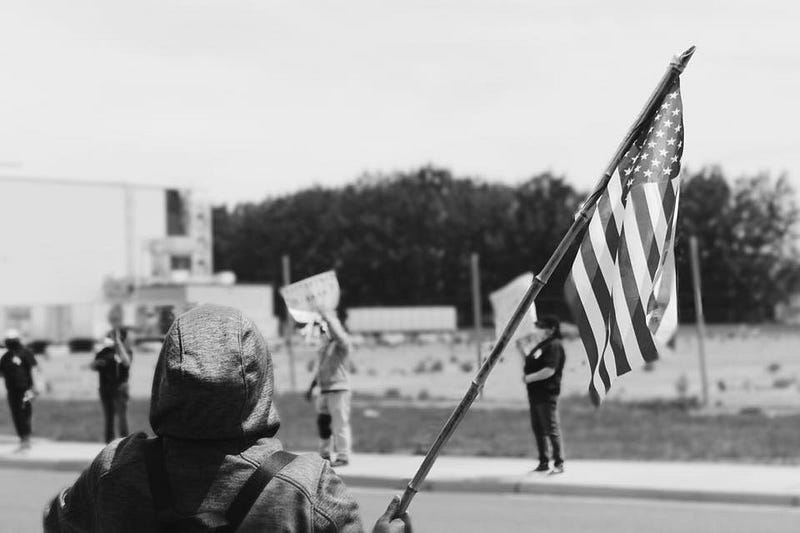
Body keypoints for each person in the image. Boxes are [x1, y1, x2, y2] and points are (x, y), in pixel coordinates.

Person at [44, 304, 410, 533]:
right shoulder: (306, 490)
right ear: (260, 376)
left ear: (166, 376)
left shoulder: (114, 472)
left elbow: (56, 520)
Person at [305, 310, 354, 467]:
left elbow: (338, 334)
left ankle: (343, 455)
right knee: (323, 422)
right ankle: (325, 454)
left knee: (340, 423)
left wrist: (328, 317)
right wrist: (311, 387)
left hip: (339, 389)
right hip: (325, 390)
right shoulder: (325, 347)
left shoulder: (342, 345)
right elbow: (320, 369)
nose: (323, 332)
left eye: (325, 329)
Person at [521, 315, 566, 473]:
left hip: (547, 394)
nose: (538, 329)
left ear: (552, 329)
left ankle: (559, 462)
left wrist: (529, 378)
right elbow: (531, 361)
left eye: (542, 327)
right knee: (538, 429)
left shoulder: (554, 345)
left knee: (551, 428)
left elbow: (550, 369)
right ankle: (543, 461)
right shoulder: (541, 345)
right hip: (534, 394)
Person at [0, 329, 40, 452]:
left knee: (24, 413)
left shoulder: (26, 353)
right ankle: (22, 439)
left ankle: (26, 440)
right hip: (12, 391)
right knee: (16, 415)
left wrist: (35, 387)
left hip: (26, 390)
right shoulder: (6, 357)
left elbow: (34, 369)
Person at [90, 330, 132, 443]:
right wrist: (98, 363)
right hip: (105, 388)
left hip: (120, 388)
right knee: (109, 417)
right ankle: (109, 443)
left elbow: (126, 362)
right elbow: (93, 366)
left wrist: (118, 344)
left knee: (122, 418)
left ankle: (125, 443)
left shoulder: (126, 351)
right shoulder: (104, 352)